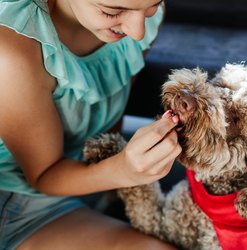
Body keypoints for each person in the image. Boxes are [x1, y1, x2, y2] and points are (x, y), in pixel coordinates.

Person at [0, 0, 181, 249]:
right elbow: (43, 176)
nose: (137, 31)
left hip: (94, 168)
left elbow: (112, 105)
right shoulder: (11, 50)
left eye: (154, 4)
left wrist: (120, 165)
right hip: (19, 203)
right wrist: (122, 171)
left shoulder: (139, 15)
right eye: (112, 11)